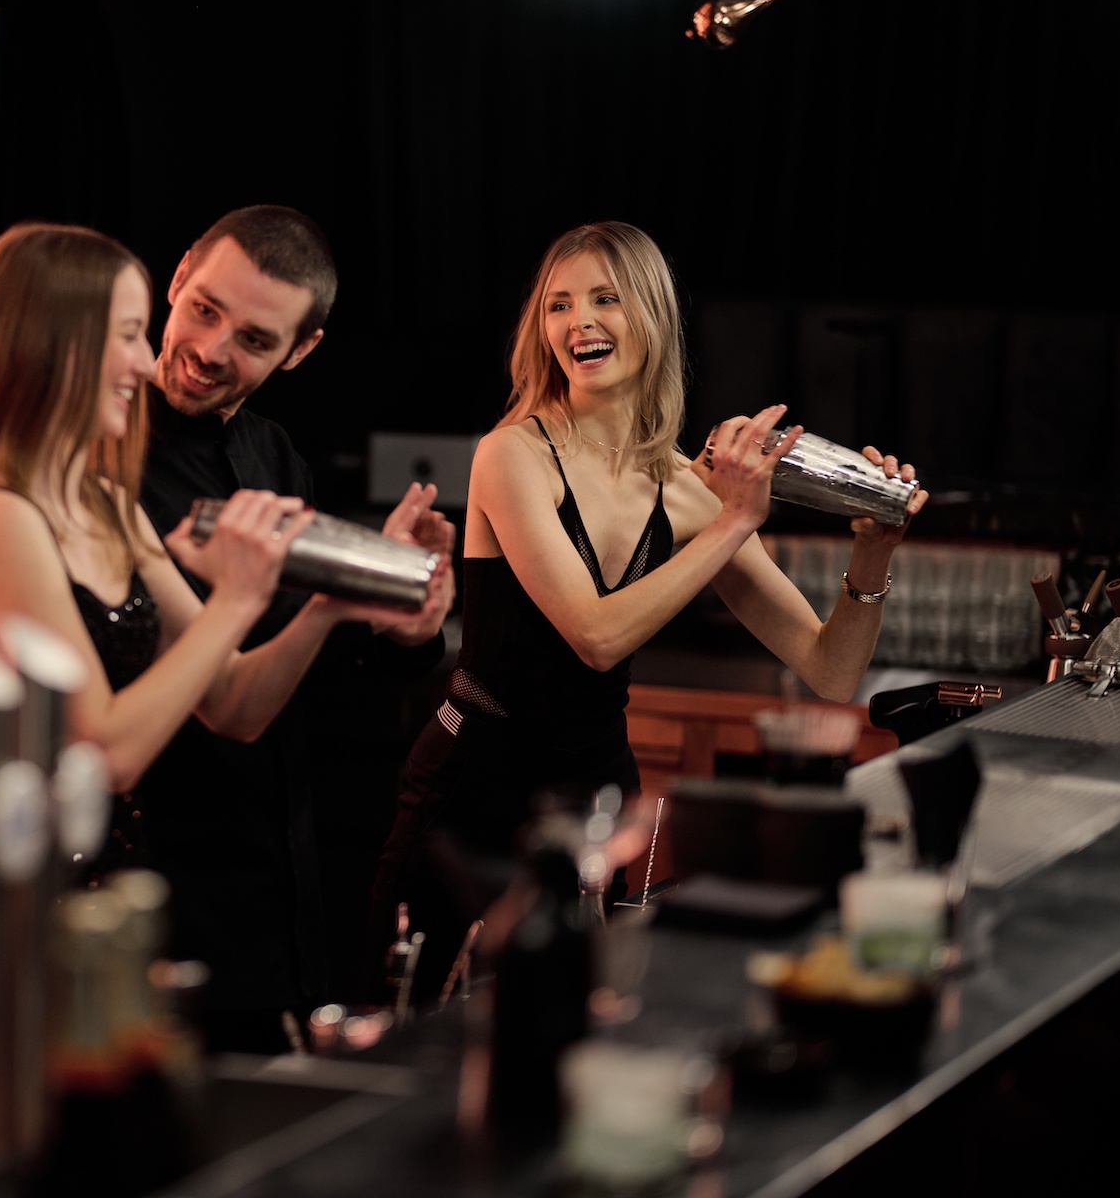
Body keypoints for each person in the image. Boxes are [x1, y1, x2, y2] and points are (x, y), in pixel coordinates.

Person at [372, 220, 928, 992]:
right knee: (432, 1043)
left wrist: (872, 551)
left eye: (606, 298)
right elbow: (594, 638)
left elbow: (832, 672)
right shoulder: (513, 454)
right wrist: (735, 519)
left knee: (577, 1040)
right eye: (559, 305)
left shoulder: (687, 489)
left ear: (652, 319)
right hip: (477, 787)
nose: (580, 322)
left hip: (600, 796)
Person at [0, 221, 432, 875]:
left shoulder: (103, 499)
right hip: (46, 890)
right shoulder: (0, 516)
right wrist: (237, 598)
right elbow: (106, 755)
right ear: (51, 343)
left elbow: (232, 701)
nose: (147, 362)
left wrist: (332, 601)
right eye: (126, 336)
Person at [137, 206, 457, 1052]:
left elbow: (323, 681)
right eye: (202, 309)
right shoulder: (100, 456)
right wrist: (335, 603)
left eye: (252, 338)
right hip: (160, 887)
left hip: (283, 882)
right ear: (176, 278)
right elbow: (225, 703)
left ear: (301, 349)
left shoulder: (276, 456)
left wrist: (400, 622)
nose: (209, 350)